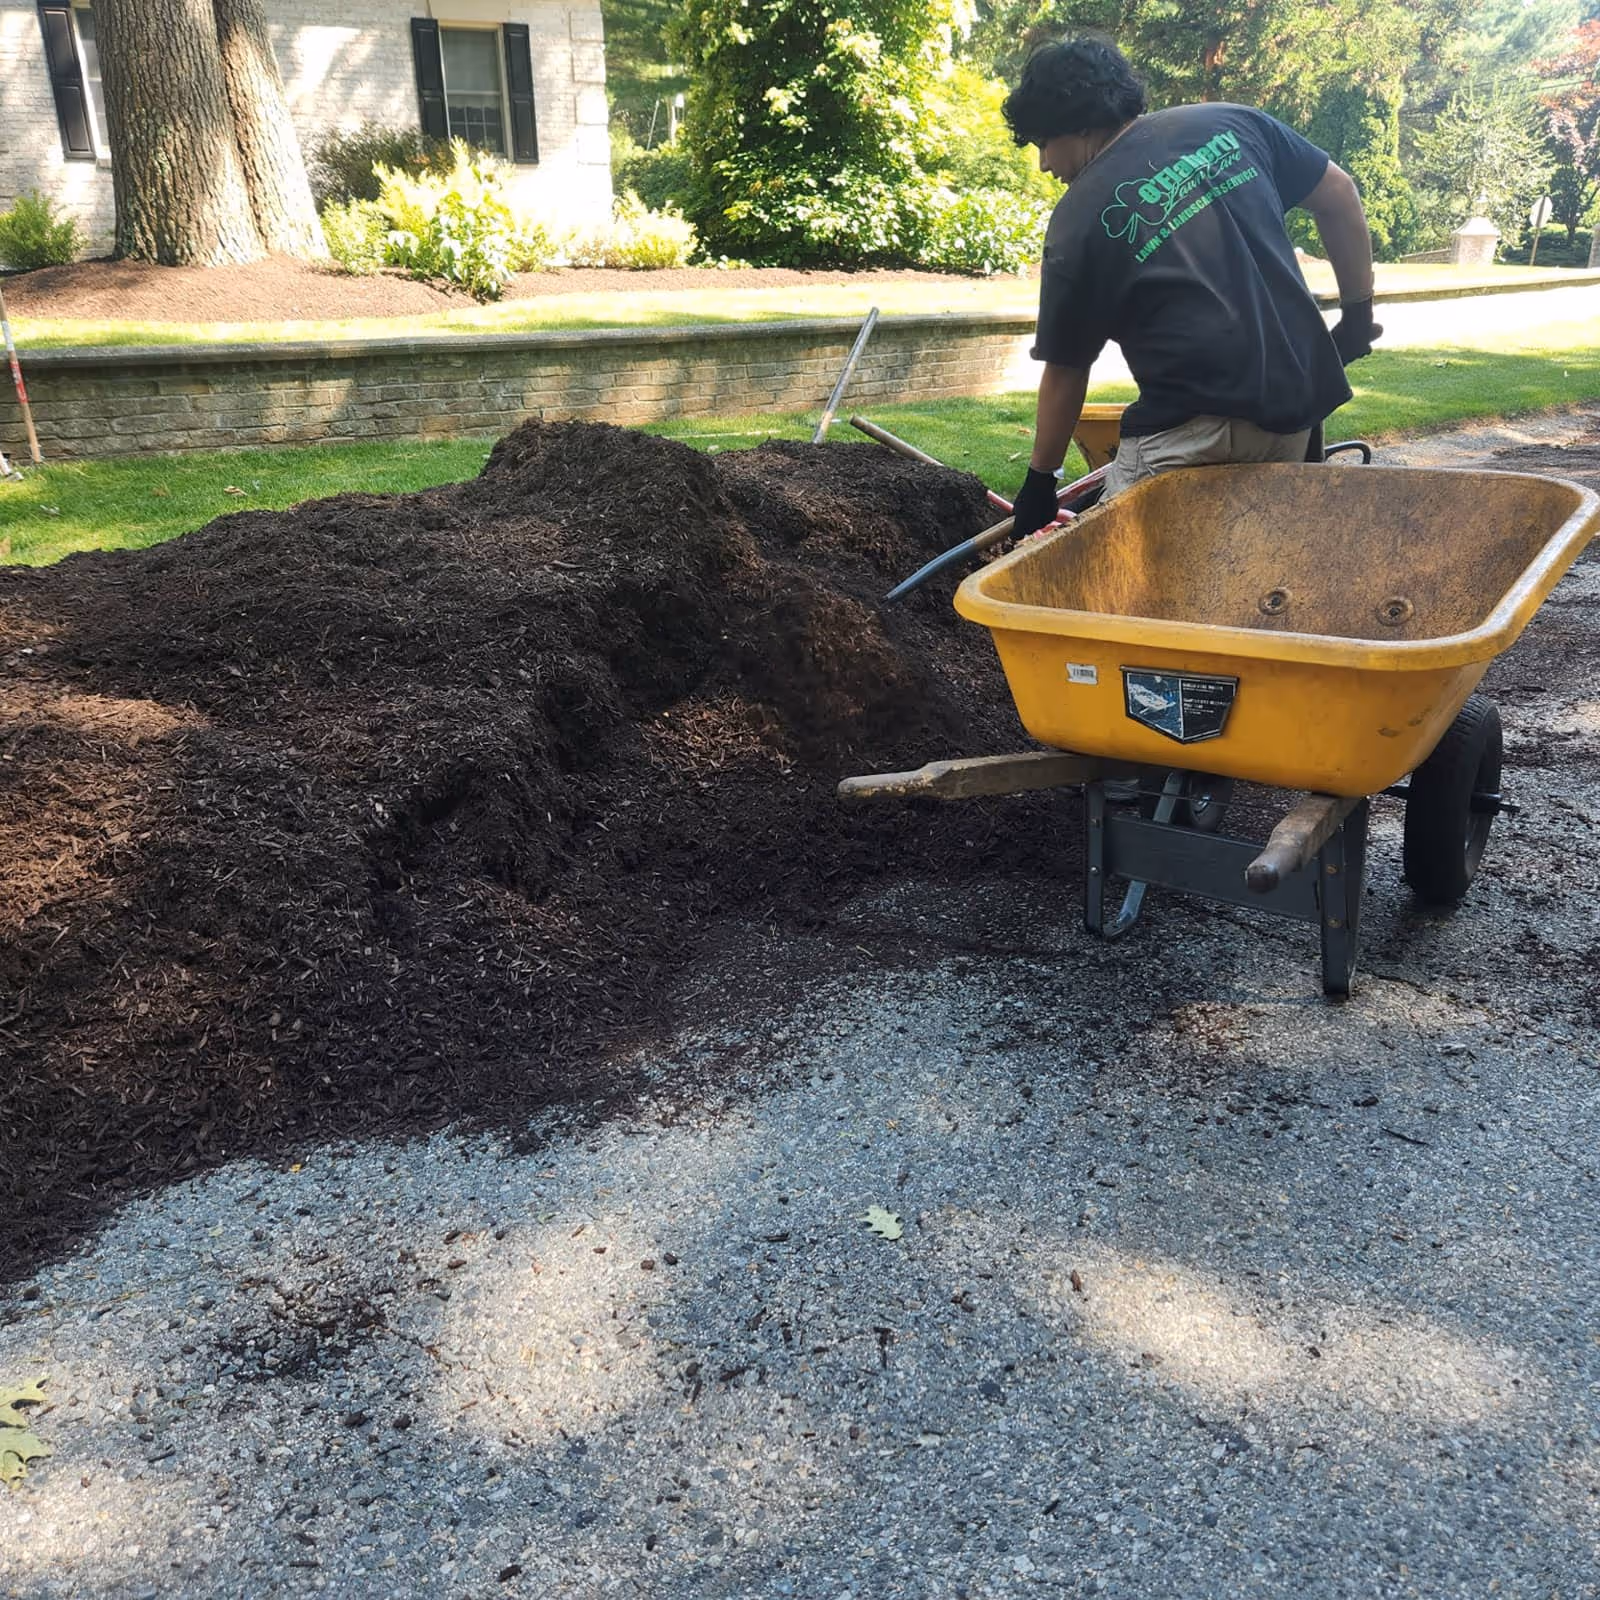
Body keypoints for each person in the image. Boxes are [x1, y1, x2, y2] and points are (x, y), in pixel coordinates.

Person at [1002, 37, 1382, 539]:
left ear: (1075, 124)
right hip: (1291, 415)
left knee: (1123, 582)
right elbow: (1338, 193)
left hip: (1188, 437)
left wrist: (1040, 481)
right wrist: (1358, 312)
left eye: (1042, 144)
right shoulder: (1231, 124)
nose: (1045, 165)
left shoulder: (1078, 219)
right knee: (1264, 568)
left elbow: (1067, 369)